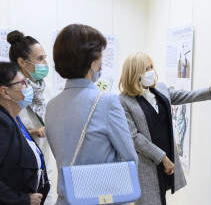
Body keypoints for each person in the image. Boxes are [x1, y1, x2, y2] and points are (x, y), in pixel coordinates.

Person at [119, 52, 211, 205]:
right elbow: (134, 137)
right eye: (146, 69)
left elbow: (185, 96)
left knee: (162, 198)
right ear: (134, 73)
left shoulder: (160, 88)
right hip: (148, 164)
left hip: (168, 159)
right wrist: (163, 158)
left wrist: (210, 90)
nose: (151, 71)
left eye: (152, 67)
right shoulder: (124, 100)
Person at [45, 24, 138, 205]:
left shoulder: (52, 106)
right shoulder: (107, 101)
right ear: (93, 61)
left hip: (67, 200)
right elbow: (130, 159)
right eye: (101, 56)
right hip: (102, 199)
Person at [7, 30, 54, 205]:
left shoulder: (45, 88)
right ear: (22, 62)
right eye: (40, 59)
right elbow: (6, 129)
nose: (45, 63)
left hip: (44, 166)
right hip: (20, 172)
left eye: (45, 57)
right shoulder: (8, 91)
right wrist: (33, 131)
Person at [0, 62, 50, 205]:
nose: (28, 88)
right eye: (22, 83)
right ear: (5, 92)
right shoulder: (2, 123)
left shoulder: (15, 119)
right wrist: (22, 199)